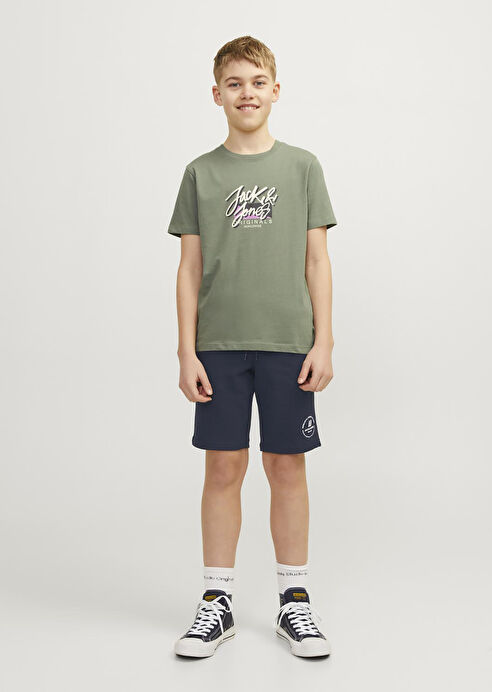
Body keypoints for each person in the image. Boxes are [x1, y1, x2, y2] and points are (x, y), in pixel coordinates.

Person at [167, 35, 338, 658]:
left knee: (286, 467)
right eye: (234, 83)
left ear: (275, 90)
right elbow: (189, 268)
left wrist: (323, 339)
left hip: (288, 343)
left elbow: (317, 260)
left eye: (257, 82)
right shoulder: (200, 173)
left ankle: (295, 600)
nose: (247, 93)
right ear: (217, 94)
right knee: (223, 467)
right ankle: (217, 601)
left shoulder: (302, 167)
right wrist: (186, 351)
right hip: (218, 346)